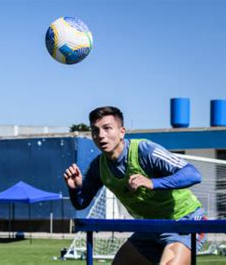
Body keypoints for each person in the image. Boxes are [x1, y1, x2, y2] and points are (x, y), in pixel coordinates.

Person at [63, 106, 206, 265]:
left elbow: (193, 174)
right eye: (95, 130)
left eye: (107, 128)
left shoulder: (145, 151)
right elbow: (81, 203)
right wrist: (74, 188)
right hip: (151, 227)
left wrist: (152, 182)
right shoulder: (98, 166)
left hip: (184, 221)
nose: (101, 135)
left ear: (121, 131)